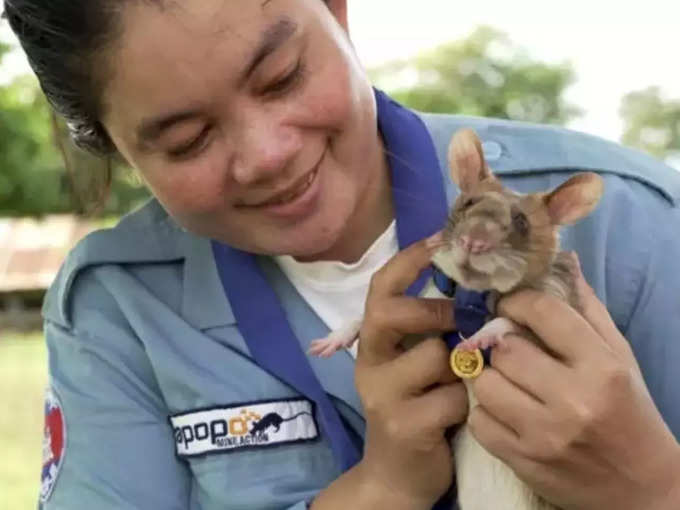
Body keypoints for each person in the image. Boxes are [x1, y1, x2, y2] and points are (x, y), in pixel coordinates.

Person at [5, 1, 680, 509]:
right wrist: (381, 488)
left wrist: (651, 486)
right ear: (115, 149)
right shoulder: (116, 306)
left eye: (281, 77)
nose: (269, 155)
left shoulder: (632, 224)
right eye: (186, 140)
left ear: (336, 9)